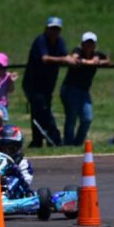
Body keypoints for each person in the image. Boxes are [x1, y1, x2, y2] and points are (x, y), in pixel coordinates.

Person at [22, 17, 75, 147]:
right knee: (43, 111)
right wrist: (64, 59)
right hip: (33, 84)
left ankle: (37, 141)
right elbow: (45, 58)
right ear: (46, 29)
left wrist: (72, 59)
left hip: (48, 85)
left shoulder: (59, 42)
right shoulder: (40, 41)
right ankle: (54, 140)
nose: (54, 32)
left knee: (40, 112)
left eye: (57, 29)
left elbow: (66, 55)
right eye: (52, 29)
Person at [60, 32, 109, 146]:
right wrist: (90, 62)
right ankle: (69, 144)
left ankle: (77, 143)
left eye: (91, 43)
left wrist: (98, 61)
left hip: (84, 91)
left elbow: (107, 60)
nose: (89, 45)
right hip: (71, 89)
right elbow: (74, 59)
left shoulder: (96, 54)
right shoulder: (77, 51)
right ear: (82, 43)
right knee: (71, 118)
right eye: (87, 43)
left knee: (87, 118)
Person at [0, 124, 34, 193]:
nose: (6, 152)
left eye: (10, 148)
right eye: (2, 149)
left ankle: (4, 194)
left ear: (18, 147)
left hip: (15, 194)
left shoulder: (23, 163)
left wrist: (17, 172)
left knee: (13, 179)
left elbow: (26, 184)